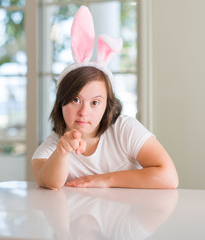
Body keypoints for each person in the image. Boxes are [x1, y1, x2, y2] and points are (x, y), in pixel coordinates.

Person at [31, 6, 178, 190]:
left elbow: (169, 177)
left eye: (95, 103)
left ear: (107, 105)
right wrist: (62, 152)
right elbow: (50, 183)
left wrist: (104, 179)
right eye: (76, 100)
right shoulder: (53, 146)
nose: (84, 112)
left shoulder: (124, 129)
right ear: (61, 101)